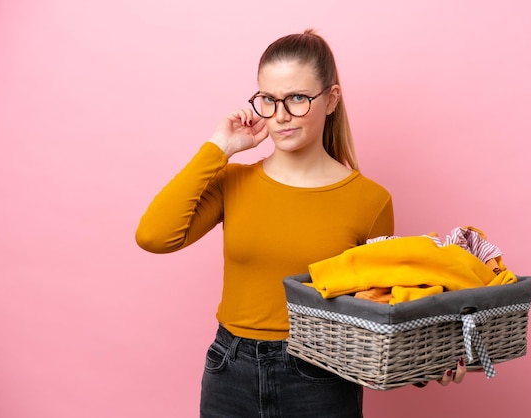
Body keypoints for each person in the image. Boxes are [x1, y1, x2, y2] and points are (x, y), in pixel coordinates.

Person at [135, 29, 465, 418]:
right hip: (230, 370)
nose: (280, 116)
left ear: (332, 99)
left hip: (322, 375)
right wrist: (219, 148)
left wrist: (426, 360)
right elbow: (154, 236)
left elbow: (379, 305)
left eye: (297, 98)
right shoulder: (233, 182)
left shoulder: (370, 201)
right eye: (268, 100)